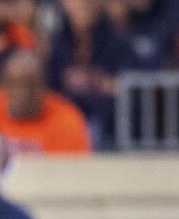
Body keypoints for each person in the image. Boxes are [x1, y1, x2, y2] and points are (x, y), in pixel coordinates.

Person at [47, 0, 137, 147]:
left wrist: (95, 81)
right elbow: (51, 90)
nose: (83, 4)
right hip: (65, 125)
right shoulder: (56, 45)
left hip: (110, 130)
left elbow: (131, 86)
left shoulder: (118, 41)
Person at [0, 50, 92, 154]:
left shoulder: (67, 120)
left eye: (29, 85)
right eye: (12, 84)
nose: (20, 93)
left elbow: (76, 169)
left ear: (43, 87)